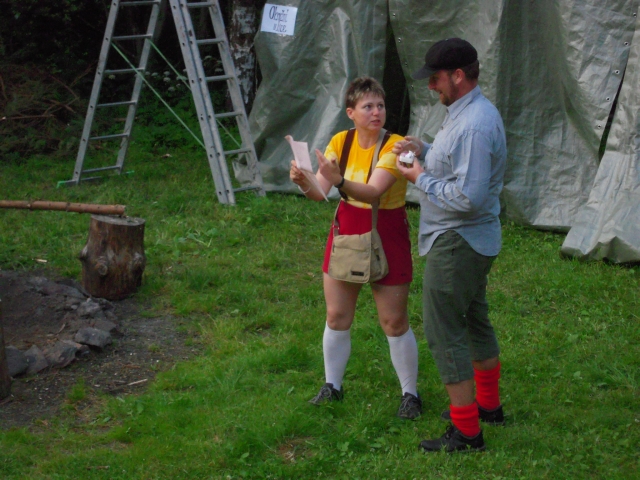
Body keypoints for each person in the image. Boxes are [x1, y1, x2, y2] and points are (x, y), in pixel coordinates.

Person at [394, 38, 507, 452]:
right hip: (471, 239)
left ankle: (467, 431)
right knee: (474, 320)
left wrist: (418, 178)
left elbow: (467, 198)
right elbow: (455, 162)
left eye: (436, 78)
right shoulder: (465, 113)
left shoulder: (474, 124)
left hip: (458, 241)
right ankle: (488, 407)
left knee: (445, 332)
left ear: (458, 76)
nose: (431, 86)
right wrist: (422, 150)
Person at [289, 76, 422, 419]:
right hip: (347, 229)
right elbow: (320, 193)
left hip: (387, 231)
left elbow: (373, 191)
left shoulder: (398, 146)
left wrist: (338, 180)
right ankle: (332, 386)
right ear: (351, 112)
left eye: (380, 106)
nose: (376, 112)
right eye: (368, 106)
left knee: (394, 321)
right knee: (336, 316)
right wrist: (304, 182)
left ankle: (410, 394)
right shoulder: (340, 140)